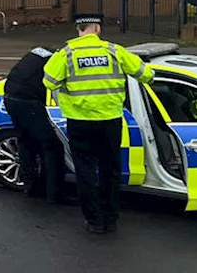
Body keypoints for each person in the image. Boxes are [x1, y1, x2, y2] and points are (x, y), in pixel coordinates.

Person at [43, 12, 153, 234]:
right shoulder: (114, 51)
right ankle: (110, 218)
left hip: (80, 122)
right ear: (98, 29)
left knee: (85, 172)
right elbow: (146, 75)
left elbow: (48, 81)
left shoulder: (66, 54)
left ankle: (93, 220)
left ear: (78, 29)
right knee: (110, 171)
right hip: (110, 120)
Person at [3, 47, 64, 202]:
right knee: (52, 147)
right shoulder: (58, 59)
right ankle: (55, 193)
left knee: (26, 142)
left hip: (10, 97)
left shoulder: (40, 51)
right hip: (27, 102)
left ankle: (30, 186)